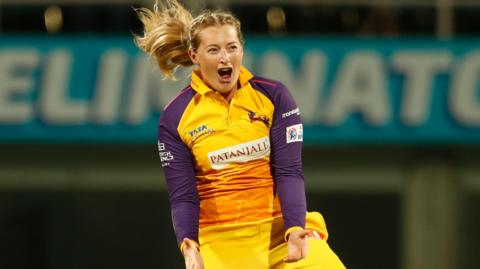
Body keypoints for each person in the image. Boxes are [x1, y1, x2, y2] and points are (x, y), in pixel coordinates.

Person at [135, 1, 346, 268]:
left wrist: (294, 229)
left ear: (241, 50)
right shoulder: (175, 116)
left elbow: (289, 171)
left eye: (232, 48)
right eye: (213, 50)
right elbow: (183, 195)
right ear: (194, 56)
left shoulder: (274, 96)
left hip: (280, 233)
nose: (225, 58)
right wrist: (188, 245)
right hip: (221, 243)